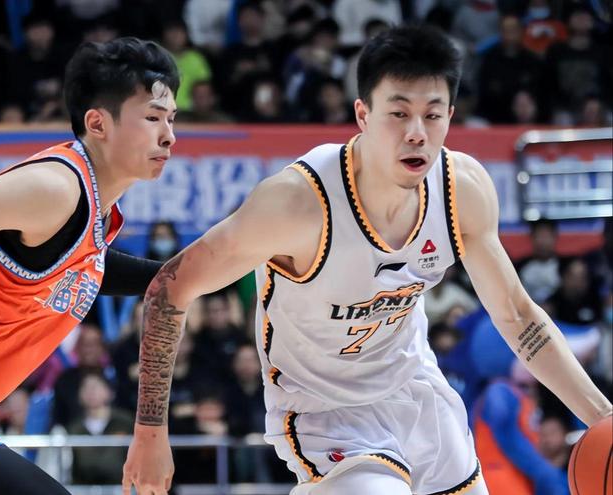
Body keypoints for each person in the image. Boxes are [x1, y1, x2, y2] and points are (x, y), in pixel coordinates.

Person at [123, 25, 612, 495]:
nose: (416, 133)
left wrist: (604, 419)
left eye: (432, 115)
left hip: (417, 392)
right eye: (398, 114)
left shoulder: (462, 190)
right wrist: (149, 432)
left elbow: (518, 317)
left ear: (450, 116)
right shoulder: (297, 203)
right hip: (324, 411)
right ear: (363, 114)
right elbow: (170, 288)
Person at [0, 37, 179, 495]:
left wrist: (188, 272)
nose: (169, 135)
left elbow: (94, 267)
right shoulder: (55, 188)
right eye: (153, 117)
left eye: (172, 119)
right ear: (98, 123)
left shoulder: (92, 213)